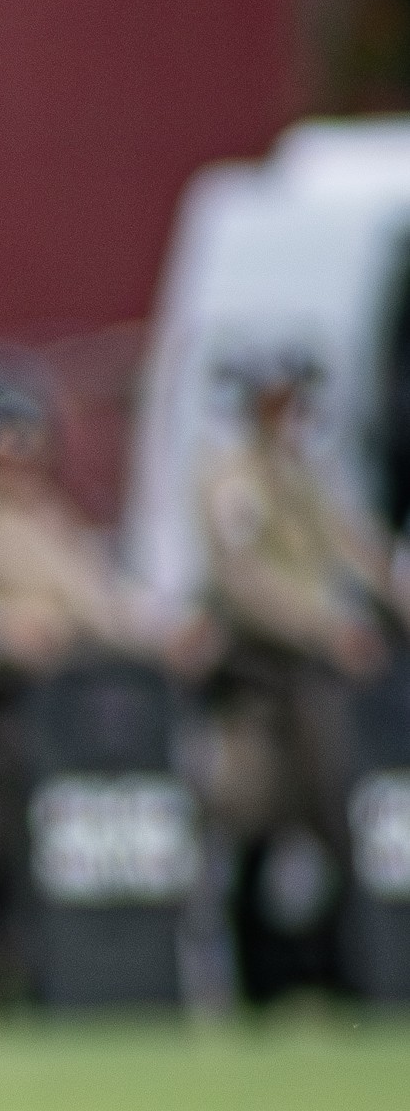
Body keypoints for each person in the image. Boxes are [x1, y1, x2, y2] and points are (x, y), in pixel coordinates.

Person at [0, 349, 154, 1008]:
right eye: (5, 438)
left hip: (61, 715)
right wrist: (8, 628)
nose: (20, 454)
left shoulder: (47, 519)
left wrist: (161, 635)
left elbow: (100, 603)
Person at [194, 350, 409, 993]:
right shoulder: (232, 476)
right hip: (259, 686)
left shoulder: (303, 477)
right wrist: (326, 626)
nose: (298, 415)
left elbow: (358, 549)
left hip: (319, 688)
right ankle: (240, 978)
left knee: (339, 823)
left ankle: (346, 973)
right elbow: (243, 582)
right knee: (245, 821)